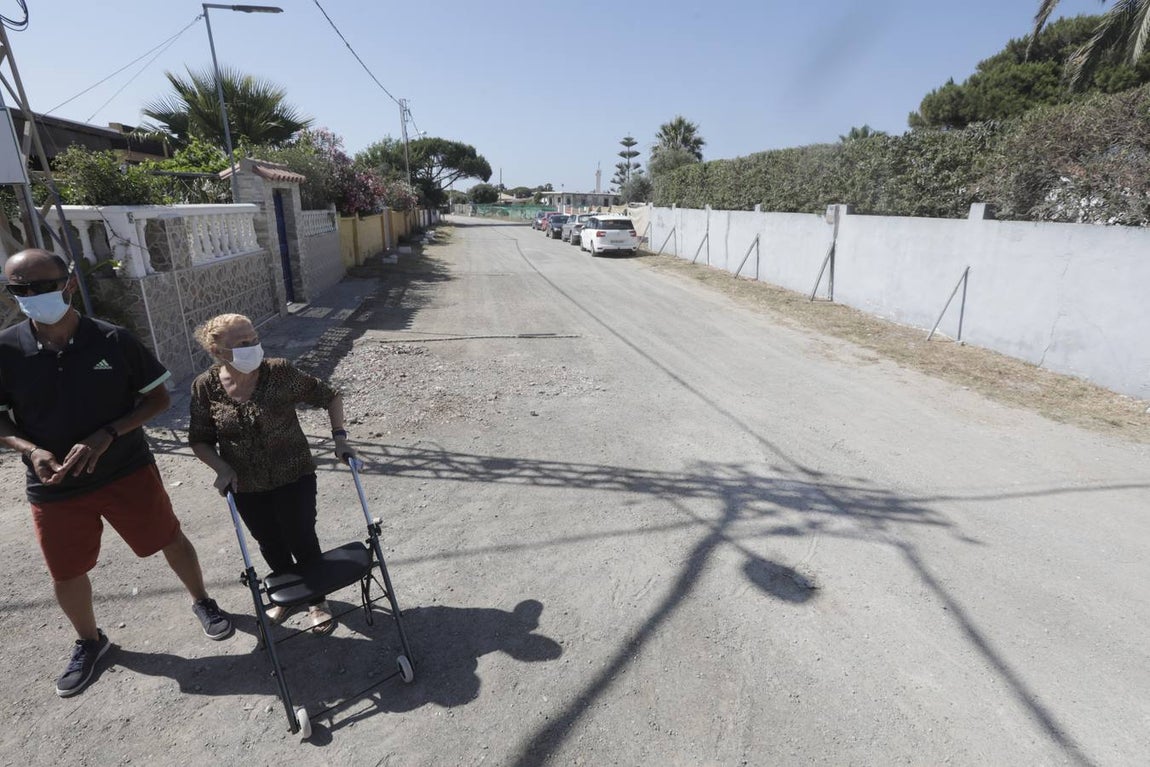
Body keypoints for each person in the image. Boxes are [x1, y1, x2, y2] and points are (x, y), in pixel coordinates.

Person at [0, 249, 233, 699]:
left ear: (68, 284)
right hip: (54, 485)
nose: (32, 296)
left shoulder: (112, 339)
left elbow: (157, 399)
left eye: (43, 286)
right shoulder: (6, 350)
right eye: (20, 289)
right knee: (65, 571)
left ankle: (203, 600)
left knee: (168, 537)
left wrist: (108, 433)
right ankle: (91, 641)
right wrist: (30, 450)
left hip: (126, 470)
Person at [188, 313, 354, 635]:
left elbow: (330, 396)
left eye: (255, 339)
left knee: (301, 536)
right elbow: (200, 439)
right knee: (269, 541)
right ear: (218, 351)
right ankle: (289, 594)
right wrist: (222, 468)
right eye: (243, 343)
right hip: (246, 484)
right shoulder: (205, 386)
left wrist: (340, 438)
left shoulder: (279, 372)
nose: (253, 347)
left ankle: (317, 601)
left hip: (294, 474)